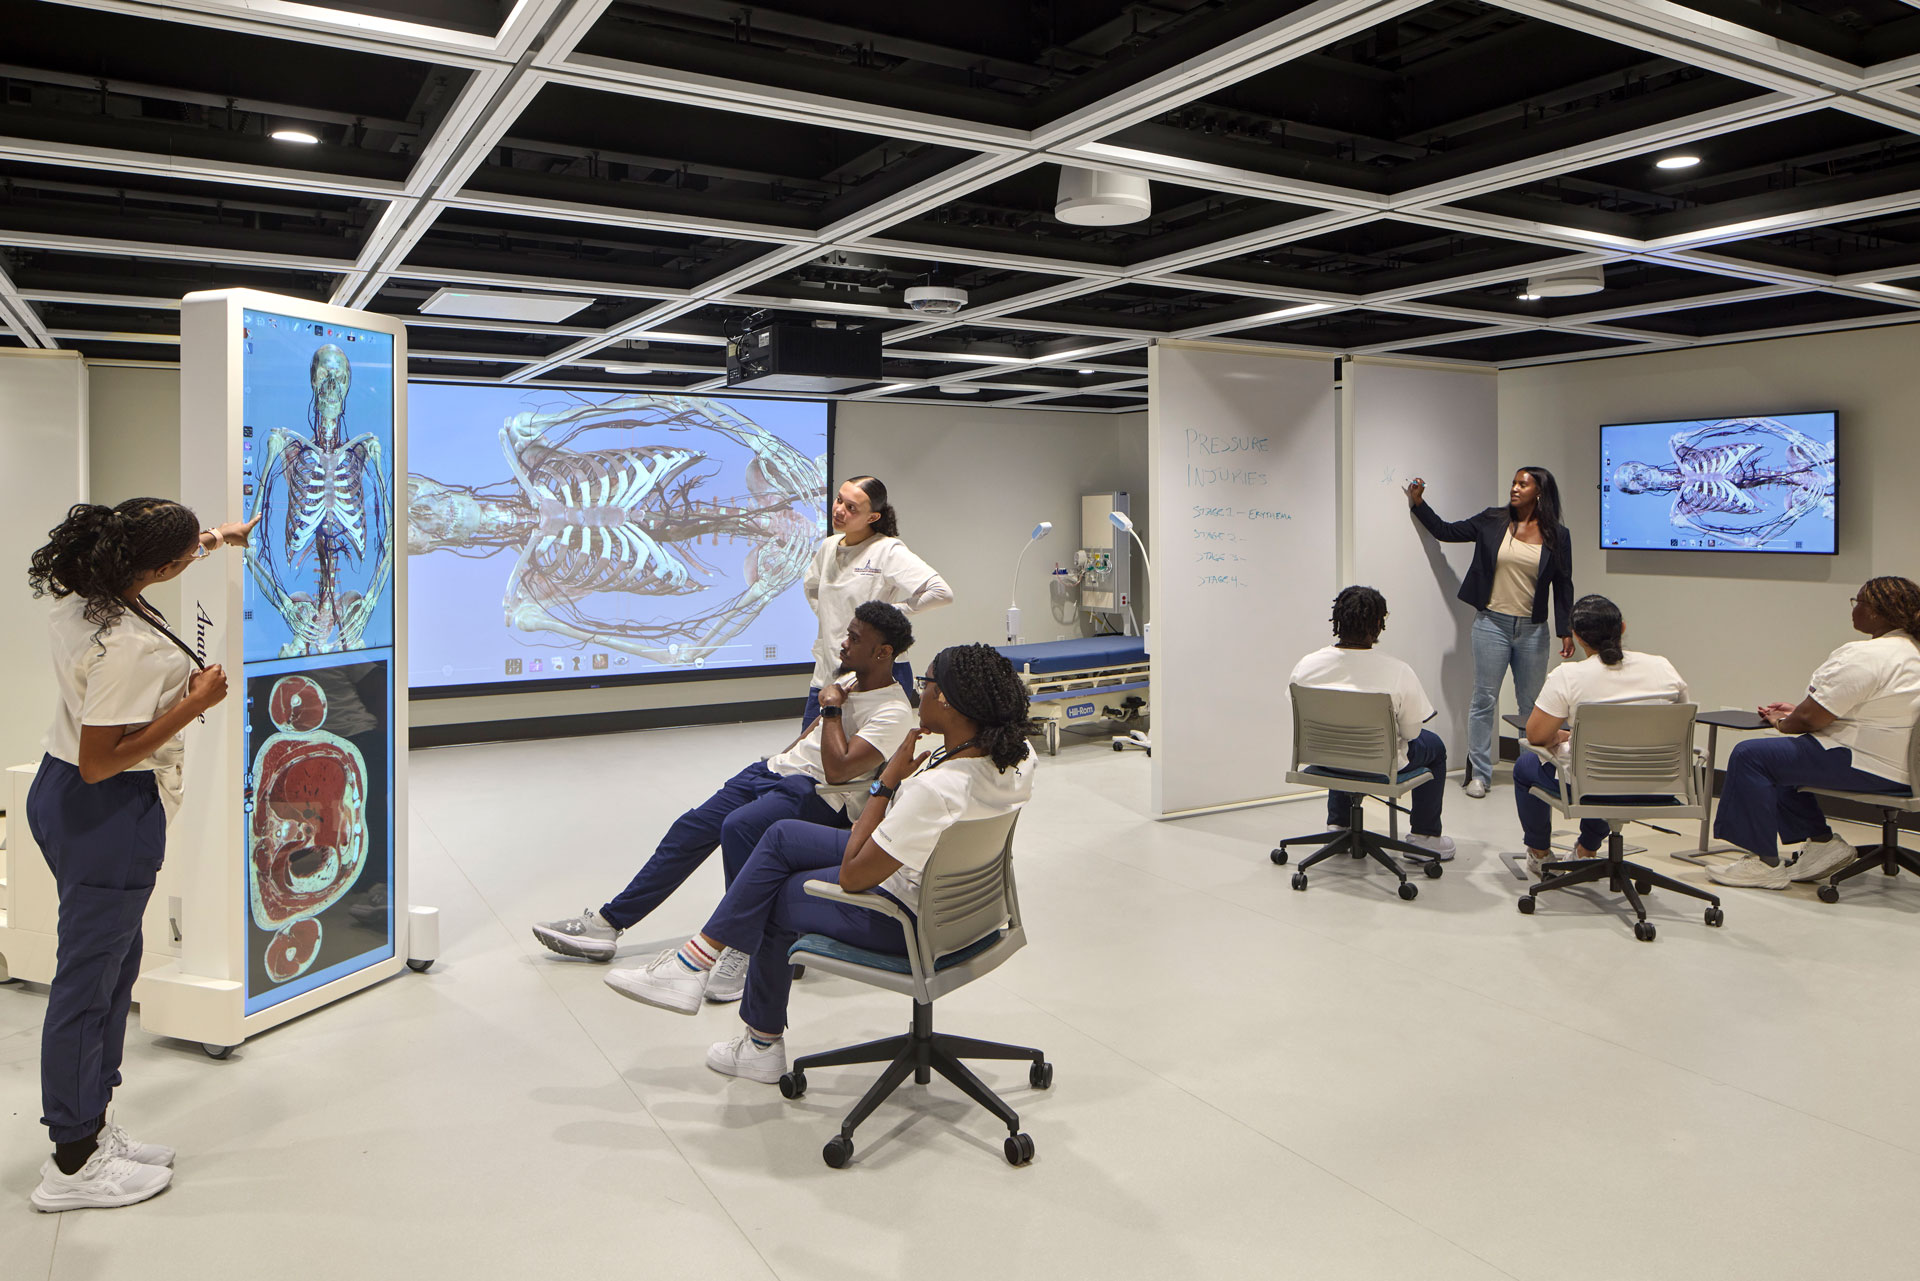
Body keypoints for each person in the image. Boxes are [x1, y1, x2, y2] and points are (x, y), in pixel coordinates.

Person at [601, 643, 1036, 1085]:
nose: (917, 694)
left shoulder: (936, 789)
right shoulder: (1017, 758)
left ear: (946, 700)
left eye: (925, 685)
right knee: (782, 836)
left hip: (906, 920)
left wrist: (886, 785)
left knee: (773, 895)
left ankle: (758, 1042)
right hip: (968, 911)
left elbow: (853, 874)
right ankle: (697, 960)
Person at [24, 498, 256, 1212]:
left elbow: (82, 762)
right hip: (106, 806)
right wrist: (195, 701)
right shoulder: (132, 644)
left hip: (58, 791)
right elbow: (103, 761)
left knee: (113, 968)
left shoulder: (81, 591)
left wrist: (217, 537)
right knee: (89, 986)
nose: (195, 557)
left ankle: (92, 1128)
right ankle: (71, 1161)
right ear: (154, 569)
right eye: (188, 554)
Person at [532, 602, 917, 997]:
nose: (843, 643)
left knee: (740, 827)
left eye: (855, 638)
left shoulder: (893, 710)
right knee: (691, 827)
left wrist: (832, 707)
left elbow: (839, 771)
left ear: (883, 652)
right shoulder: (850, 683)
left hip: (819, 795)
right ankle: (608, 924)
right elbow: (811, 739)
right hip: (775, 773)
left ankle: (745, 946)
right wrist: (780, 759)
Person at [1708, 577, 1920, 891]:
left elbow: (1810, 720)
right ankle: (1822, 844)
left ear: (1877, 612)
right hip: (1906, 768)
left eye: (1858, 601)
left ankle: (1763, 863)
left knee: (1752, 755)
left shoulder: (1870, 655)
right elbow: (1869, 710)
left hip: (1871, 765)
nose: (1854, 608)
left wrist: (1782, 721)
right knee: (1784, 760)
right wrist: (1800, 713)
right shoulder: (1911, 652)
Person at [1405, 467, 1576, 798]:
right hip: (1491, 624)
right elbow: (1446, 531)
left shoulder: (1557, 534)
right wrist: (1418, 504)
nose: (1514, 488)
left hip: (1533, 629)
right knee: (1484, 699)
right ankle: (1480, 774)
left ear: (1539, 492)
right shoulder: (1492, 521)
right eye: (1513, 483)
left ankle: (1533, 772)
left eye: (1522, 484)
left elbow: (1563, 584)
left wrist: (1564, 629)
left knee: (1532, 705)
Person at [1515, 595, 1689, 880]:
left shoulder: (1569, 676)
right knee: (1605, 767)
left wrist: (1562, 735)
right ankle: (1586, 851)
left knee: (1527, 768)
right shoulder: (1662, 667)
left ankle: (1540, 854)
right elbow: (1678, 724)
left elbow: (1536, 735)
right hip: (1659, 783)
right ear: (1622, 628)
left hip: (1595, 785)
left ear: (1577, 637)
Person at [1288, 586, 1456, 861]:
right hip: (1378, 765)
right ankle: (1425, 838)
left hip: (1323, 760)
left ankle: (1338, 826)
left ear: (1337, 620)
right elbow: (1413, 733)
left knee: (1340, 740)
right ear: (1379, 624)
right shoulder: (1397, 671)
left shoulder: (1307, 665)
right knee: (1433, 745)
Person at [801, 475, 952, 725]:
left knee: (874, 758)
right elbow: (812, 587)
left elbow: (941, 592)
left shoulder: (887, 550)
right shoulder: (828, 547)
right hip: (828, 672)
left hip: (878, 675)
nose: (839, 510)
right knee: (810, 755)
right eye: (839, 500)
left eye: (851, 508)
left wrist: (887, 617)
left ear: (872, 517)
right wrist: (831, 618)